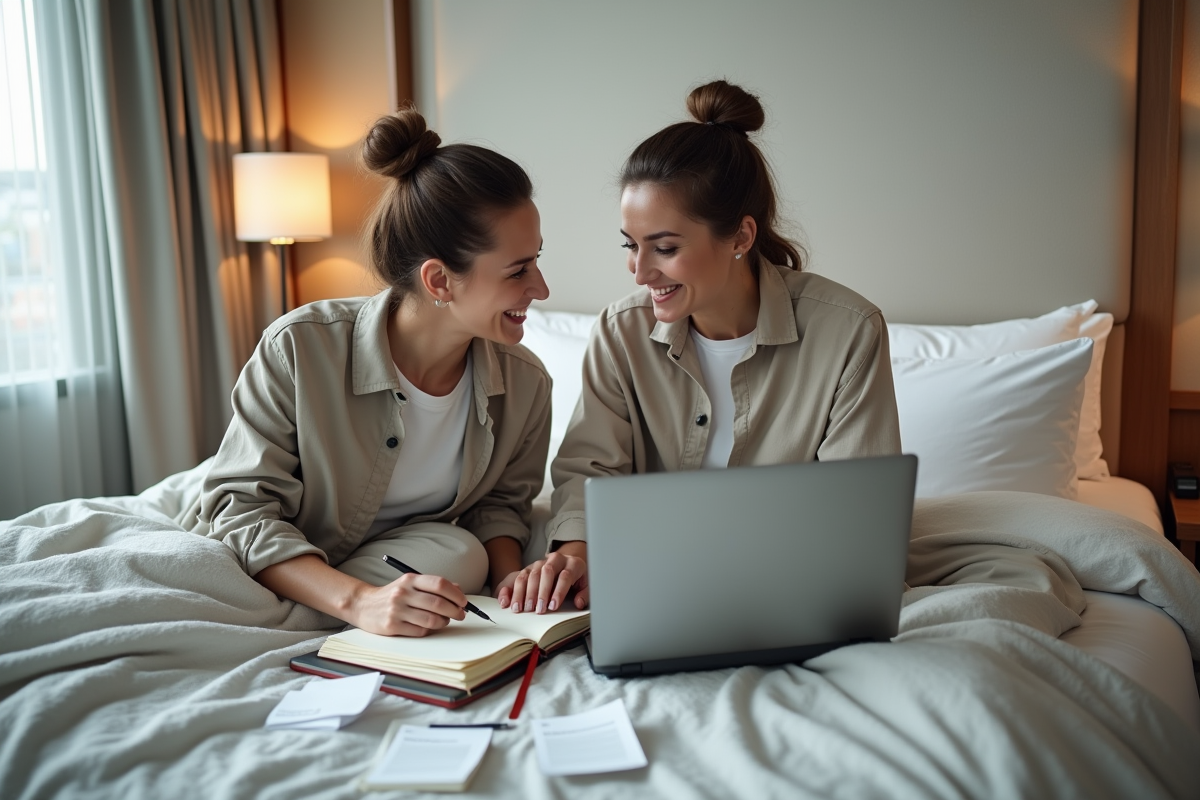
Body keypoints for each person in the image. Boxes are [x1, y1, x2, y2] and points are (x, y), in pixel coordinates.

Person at [503, 80, 902, 616]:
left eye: (664, 248)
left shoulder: (849, 331)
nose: (640, 272)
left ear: (740, 237)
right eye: (631, 245)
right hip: (646, 572)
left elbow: (854, 515)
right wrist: (578, 553)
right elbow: (589, 471)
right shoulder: (621, 332)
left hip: (785, 579)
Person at [191, 107, 552, 636]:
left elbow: (500, 507)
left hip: (397, 558)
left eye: (536, 260)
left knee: (461, 552)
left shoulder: (526, 385)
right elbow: (243, 508)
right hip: (279, 545)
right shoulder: (300, 349)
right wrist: (359, 603)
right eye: (519, 270)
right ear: (439, 280)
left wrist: (513, 593)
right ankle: (310, 603)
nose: (541, 289)